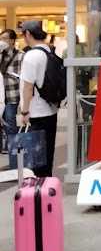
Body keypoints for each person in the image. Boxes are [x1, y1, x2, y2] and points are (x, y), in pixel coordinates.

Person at [19, 20, 59, 178]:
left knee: (36, 157)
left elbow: (28, 86)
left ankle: (38, 185)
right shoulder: (49, 51)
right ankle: (47, 183)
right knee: (48, 153)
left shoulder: (31, 55)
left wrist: (24, 112)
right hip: (51, 108)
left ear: (28, 34)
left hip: (36, 111)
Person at [0, 29, 24, 150]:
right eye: (0, 39)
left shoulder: (20, 55)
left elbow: (23, 75)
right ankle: (4, 144)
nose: (2, 41)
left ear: (12, 41)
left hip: (12, 93)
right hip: (1, 93)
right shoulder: (0, 55)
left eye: (5, 39)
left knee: (9, 118)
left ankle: (12, 145)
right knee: (2, 118)